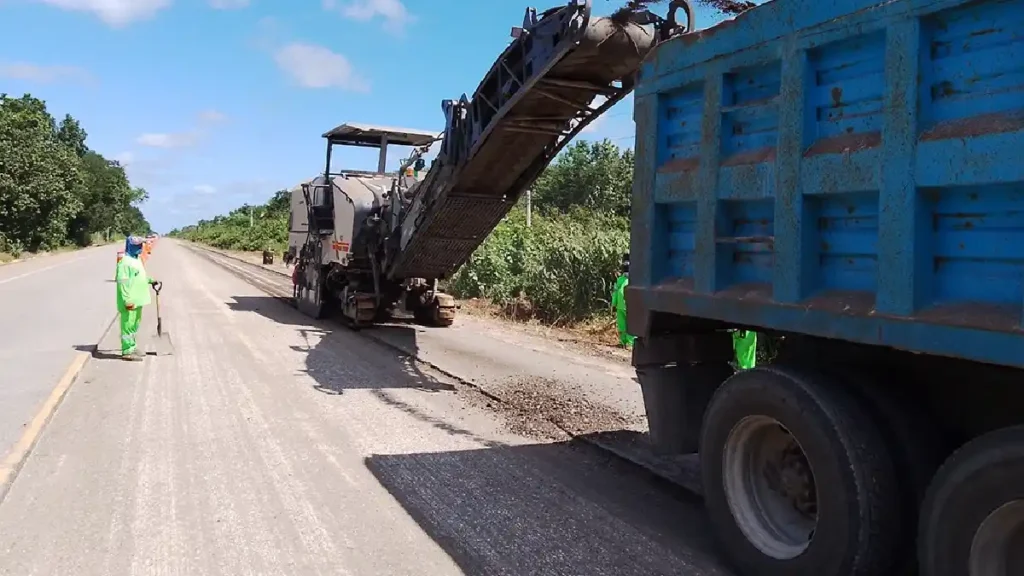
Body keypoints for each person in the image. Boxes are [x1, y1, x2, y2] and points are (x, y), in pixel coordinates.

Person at [116, 235, 157, 361]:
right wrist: (127, 300)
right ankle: (127, 351)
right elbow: (122, 282)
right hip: (130, 301)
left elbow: (139, 276)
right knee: (128, 326)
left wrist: (151, 281)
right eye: (137, 245)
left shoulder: (136, 260)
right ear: (130, 246)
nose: (140, 247)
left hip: (138, 300)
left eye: (141, 245)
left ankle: (133, 347)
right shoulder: (124, 262)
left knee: (134, 326)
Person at [611, 252, 635, 348]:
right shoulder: (620, 280)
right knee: (621, 326)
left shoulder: (634, 280)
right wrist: (613, 304)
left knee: (631, 326)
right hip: (620, 307)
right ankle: (622, 342)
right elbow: (615, 293)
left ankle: (630, 343)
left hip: (631, 307)